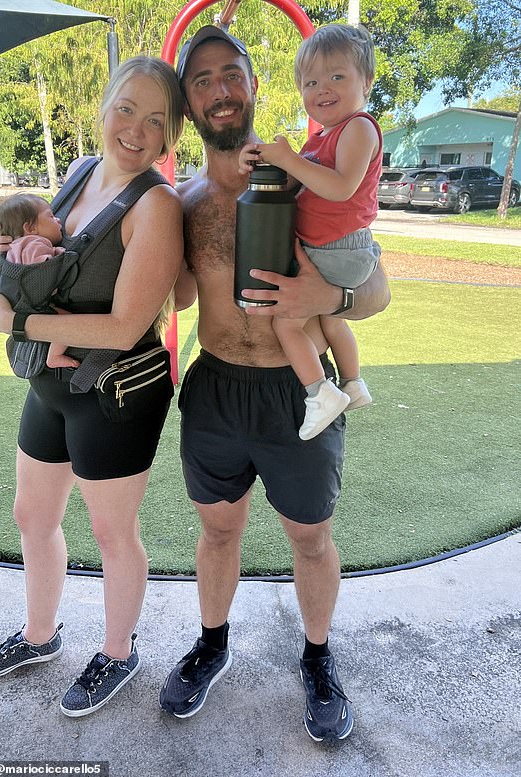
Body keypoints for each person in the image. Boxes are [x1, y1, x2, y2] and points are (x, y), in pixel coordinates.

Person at [159, 26, 390, 742]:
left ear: (255, 86)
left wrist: (326, 298)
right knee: (218, 528)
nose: (220, 89)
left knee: (311, 538)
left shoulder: (306, 173)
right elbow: (176, 295)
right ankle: (212, 644)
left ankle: (318, 658)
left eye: (232, 73)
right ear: (188, 102)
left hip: (299, 390)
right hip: (216, 389)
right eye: (202, 80)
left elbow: (376, 288)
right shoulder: (181, 200)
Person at [0, 55, 184, 718]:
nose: (136, 130)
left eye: (157, 120)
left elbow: (125, 325)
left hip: (116, 392)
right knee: (32, 516)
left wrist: (18, 321)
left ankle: (119, 651)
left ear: (172, 133)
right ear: (104, 108)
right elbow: (30, 256)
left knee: (112, 532)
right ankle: (40, 636)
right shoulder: (80, 172)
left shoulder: (157, 206)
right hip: (50, 384)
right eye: (127, 109)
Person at [238, 23, 381, 440]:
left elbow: (340, 187)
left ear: (366, 82)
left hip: (335, 249)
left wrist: (290, 160)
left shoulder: (358, 127)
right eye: (311, 82)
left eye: (337, 76)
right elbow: (298, 184)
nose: (323, 88)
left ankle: (320, 392)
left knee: (286, 324)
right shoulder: (322, 138)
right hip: (336, 249)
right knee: (331, 321)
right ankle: (353, 383)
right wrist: (266, 162)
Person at [0, 193, 79, 370]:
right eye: (51, 216)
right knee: (67, 322)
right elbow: (41, 269)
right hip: (29, 303)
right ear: (30, 228)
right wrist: (59, 253)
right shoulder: (35, 244)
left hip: (17, 300)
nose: (59, 220)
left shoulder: (16, 244)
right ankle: (54, 356)